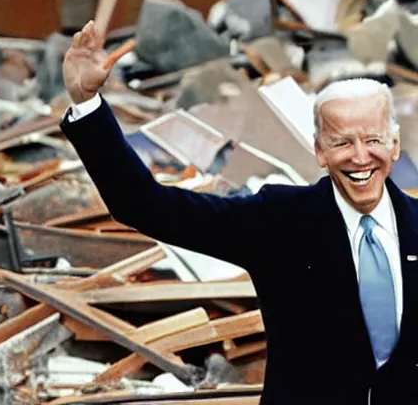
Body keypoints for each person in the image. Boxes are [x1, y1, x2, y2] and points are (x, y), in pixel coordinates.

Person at [60, 21, 418, 405]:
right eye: (342, 142)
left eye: (373, 140)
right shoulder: (279, 221)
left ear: (395, 146)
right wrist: (87, 104)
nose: (360, 157)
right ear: (319, 151)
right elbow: (148, 205)